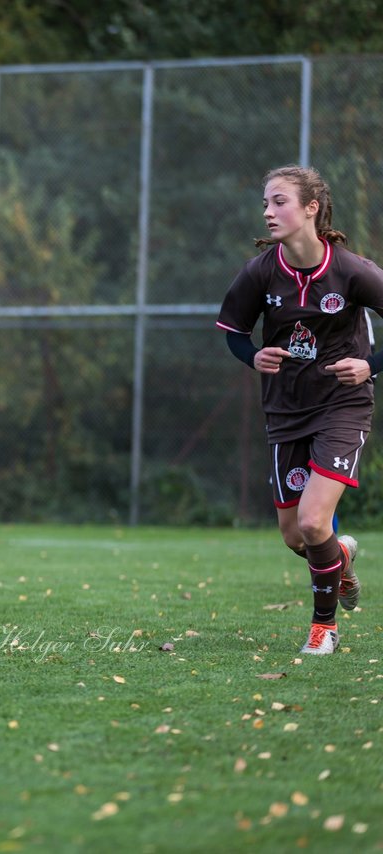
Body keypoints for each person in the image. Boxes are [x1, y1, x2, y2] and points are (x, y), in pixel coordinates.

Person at [216, 164, 383, 655]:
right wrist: (254, 355)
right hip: (286, 411)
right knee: (296, 536)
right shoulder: (262, 271)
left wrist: (369, 365)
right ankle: (342, 560)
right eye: (265, 203)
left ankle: (323, 630)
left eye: (279, 202)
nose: (268, 212)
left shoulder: (352, 271)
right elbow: (232, 332)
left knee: (314, 523)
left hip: (342, 406)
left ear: (311, 208)